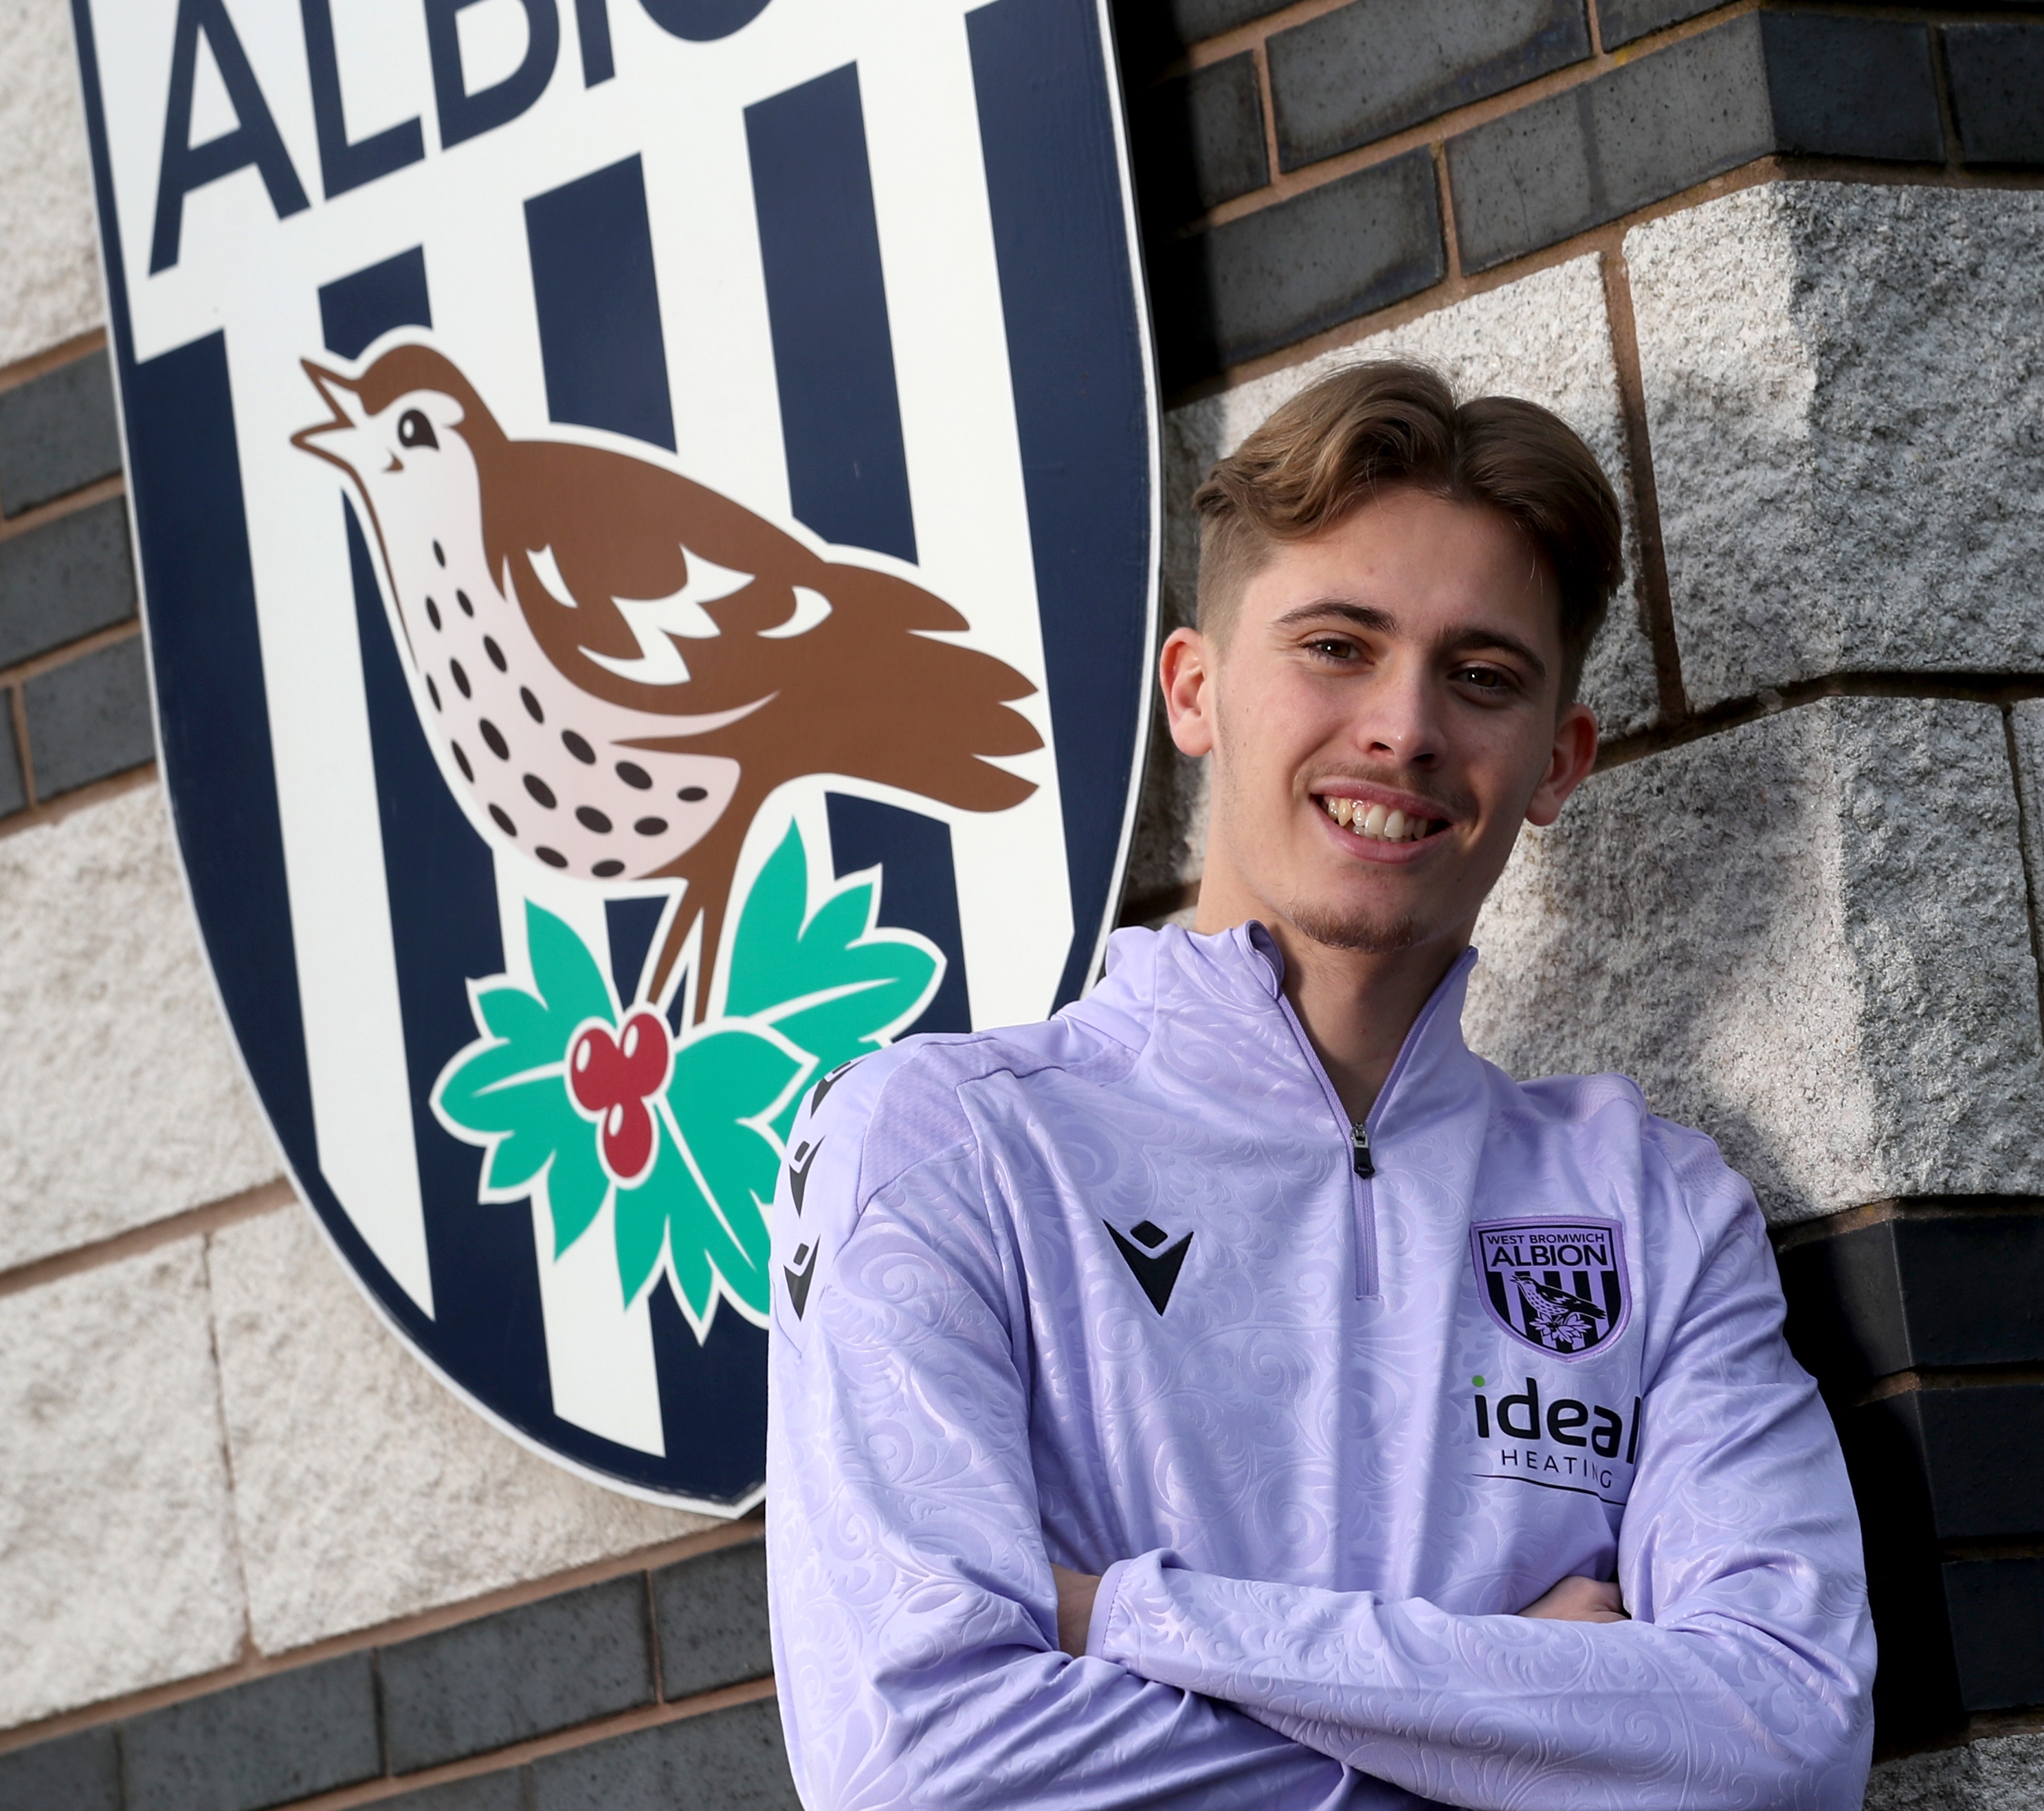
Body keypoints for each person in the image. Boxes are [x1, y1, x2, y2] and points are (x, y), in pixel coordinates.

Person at [766, 362, 1876, 1809]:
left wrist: (1124, 1616)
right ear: (1195, 689)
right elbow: (927, 1767)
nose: (1403, 726)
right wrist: (1507, 1700)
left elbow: (1783, 1740)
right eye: (1337, 645)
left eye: (1481, 676)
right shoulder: (940, 1142)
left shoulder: (1651, 1205)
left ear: (1558, 760)